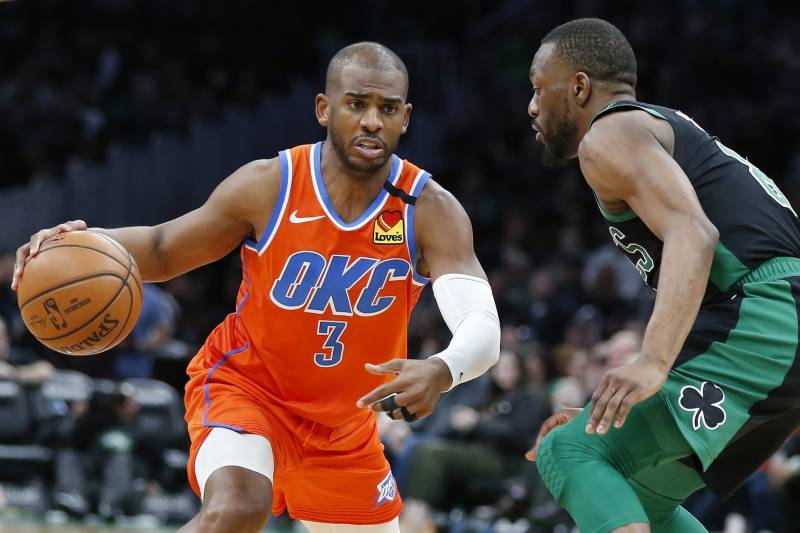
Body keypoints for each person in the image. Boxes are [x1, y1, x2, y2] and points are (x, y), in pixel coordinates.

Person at [11, 42, 501, 533]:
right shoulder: (271, 185)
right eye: (356, 104)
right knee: (238, 508)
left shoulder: (429, 209)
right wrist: (76, 245)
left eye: (388, 109)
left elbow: (481, 324)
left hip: (345, 429)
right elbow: (162, 248)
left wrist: (443, 369)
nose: (372, 121)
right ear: (324, 109)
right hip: (248, 390)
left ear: (406, 118)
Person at [523, 18, 800, 533]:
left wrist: (653, 360)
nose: (531, 107)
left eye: (539, 88)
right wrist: (616, 404)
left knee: (568, 451)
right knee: (629, 490)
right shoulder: (654, 128)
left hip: (763, 316)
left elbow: (694, 233)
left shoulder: (609, 134)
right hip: (771, 326)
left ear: (579, 87)